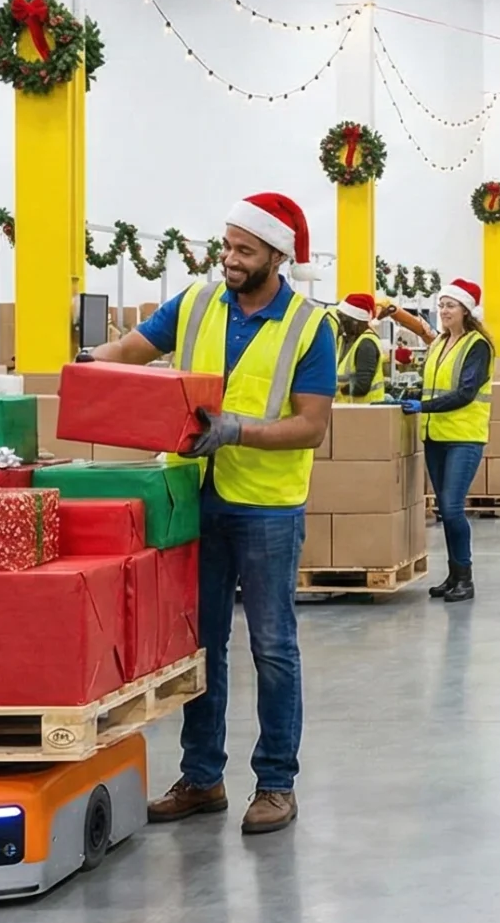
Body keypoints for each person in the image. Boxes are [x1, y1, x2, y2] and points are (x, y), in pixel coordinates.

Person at [90, 191, 334, 837]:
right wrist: (87, 366)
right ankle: (202, 777)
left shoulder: (308, 325)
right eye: (226, 245)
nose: (229, 258)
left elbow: (311, 425)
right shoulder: (197, 303)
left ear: (276, 256)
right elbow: (132, 349)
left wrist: (236, 430)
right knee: (200, 646)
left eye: (244, 249)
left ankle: (276, 783)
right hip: (193, 497)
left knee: (272, 646)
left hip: (267, 508)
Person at [408, 277, 492, 602]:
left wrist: (423, 406)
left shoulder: (478, 346)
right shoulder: (438, 344)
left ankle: (465, 578)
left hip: (464, 437)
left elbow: (466, 392)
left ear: (466, 310)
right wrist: (407, 396)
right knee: (444, 508)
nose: (443, 311)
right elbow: (429, 385)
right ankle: (454, 575)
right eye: (441, 305)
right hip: (435, 436)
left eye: (450, 305)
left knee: (454, 507)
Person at [332, 292, 387, 402]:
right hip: (347, 407)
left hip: (364, 408)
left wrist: (333, 389)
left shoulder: (366, 344)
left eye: (344, 321)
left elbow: (362, 386)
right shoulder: (344, 341)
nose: (341, 325)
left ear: (355, 322)